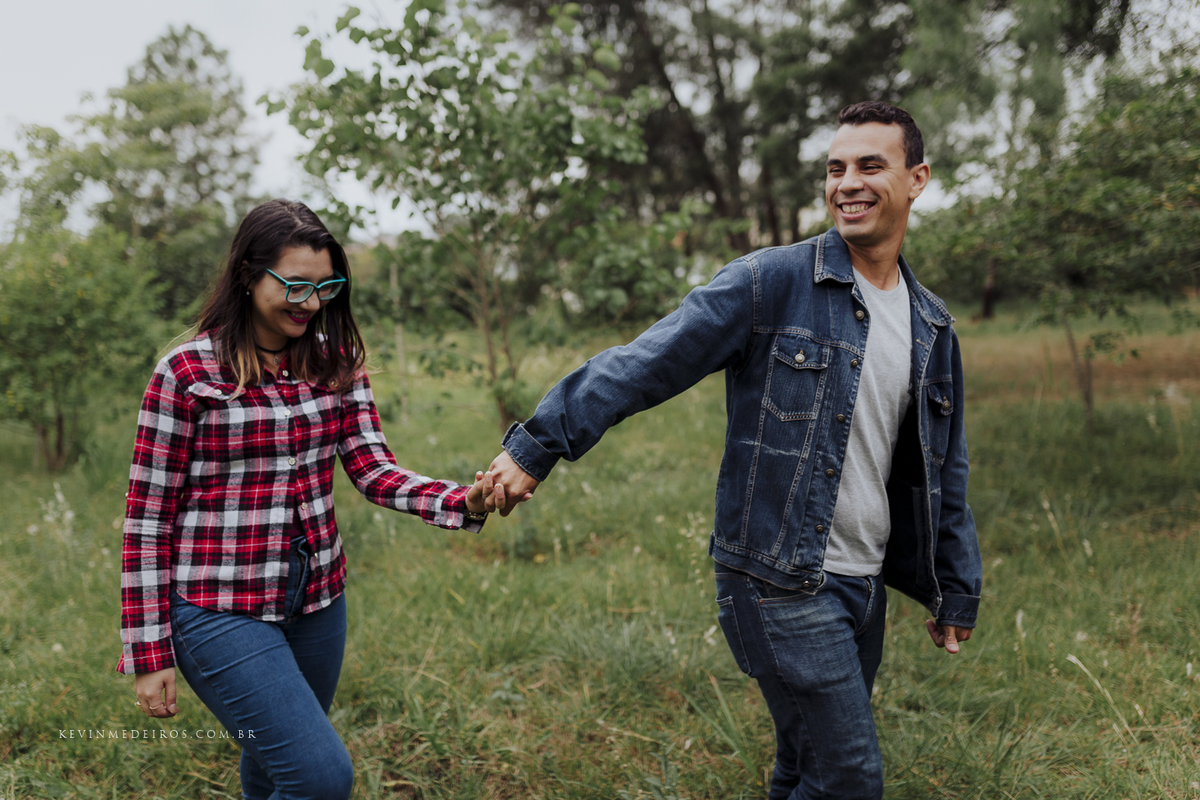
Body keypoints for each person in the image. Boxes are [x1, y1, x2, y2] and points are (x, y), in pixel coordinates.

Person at [487, 102, 982, 798]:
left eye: (870, 166)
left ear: (917, 179)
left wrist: (955, 585)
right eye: (835, 169)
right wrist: (537, 445)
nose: (847, 183)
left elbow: (943, 468)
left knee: (805, 764)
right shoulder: (771, 282)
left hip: (864, 582)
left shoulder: (932, 324)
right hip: (778, 579)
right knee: (850, 777)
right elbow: (646, 362)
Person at [118, 199, 507, 800]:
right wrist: (148, 650)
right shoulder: (186, 373)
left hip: (318, 598)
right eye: (296, 285)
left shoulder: (336, 365)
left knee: (274, 768)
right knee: (320, 776)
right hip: (219, 605)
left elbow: (373, 470)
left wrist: (465, 501)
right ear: (248, 274)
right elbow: (147, 519)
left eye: (326, 287)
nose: (311, 302)